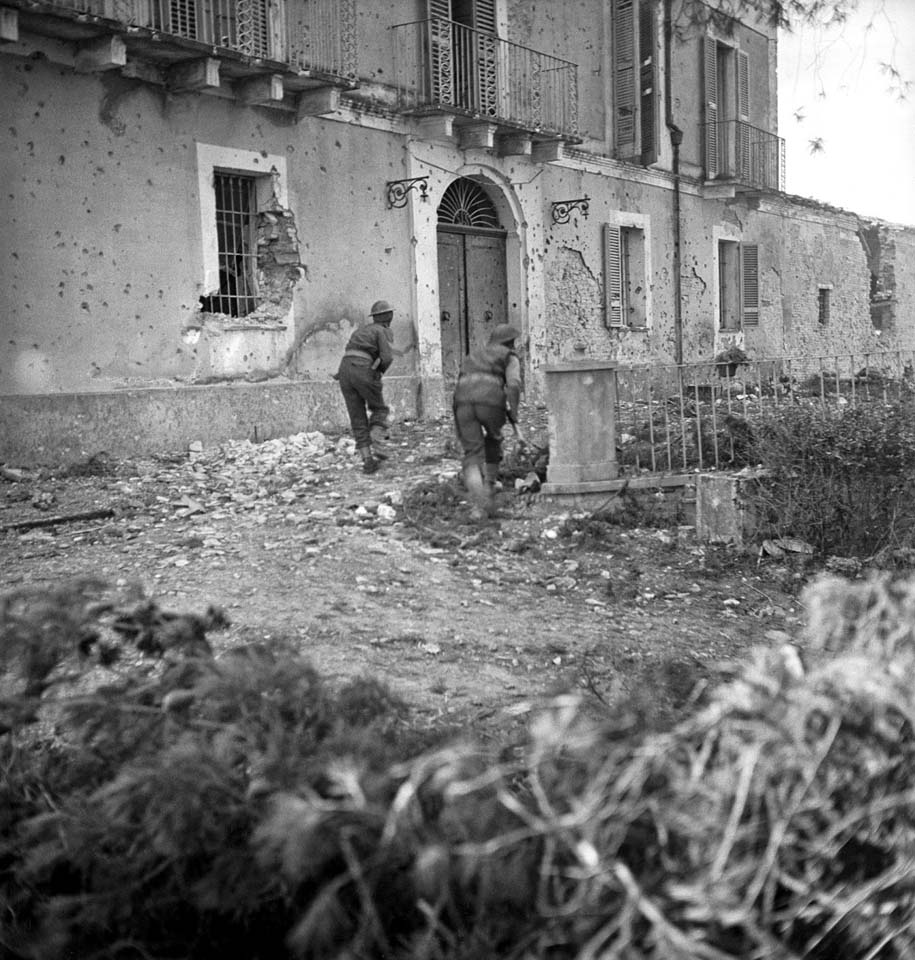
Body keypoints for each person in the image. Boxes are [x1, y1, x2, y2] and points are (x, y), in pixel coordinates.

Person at [452, 323, 523, 519]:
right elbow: (514, 385)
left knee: (472, 454)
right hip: (490, 402)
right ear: (511, 343)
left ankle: (478, 506)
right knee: (494, 438)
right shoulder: (509, 357)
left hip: (462, 403)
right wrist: (514, 413)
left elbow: (459, 384)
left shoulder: (472, 356)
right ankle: (490, 485)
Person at [337, 300, 395, 474]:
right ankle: (376, 438)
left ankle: (367, 461)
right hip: (363, 369)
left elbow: (350, 353)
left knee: (357, 417)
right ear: (389, 317)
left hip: (344, 370)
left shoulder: (361, 331)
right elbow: (387, 358)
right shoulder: (382, 331)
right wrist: (378, 372)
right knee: (380, 410)